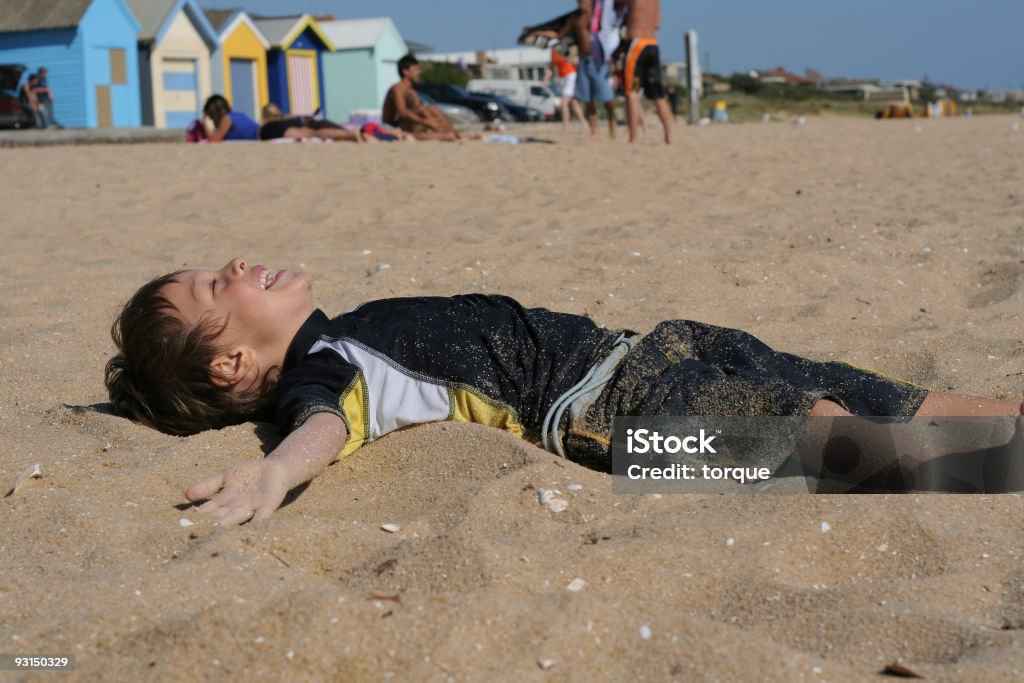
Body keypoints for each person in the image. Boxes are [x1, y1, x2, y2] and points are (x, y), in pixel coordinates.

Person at [105, 258, 1024, 524]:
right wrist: (272, 478)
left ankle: (1005, 428)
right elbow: (315, 430)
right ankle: (994, 468)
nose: (232, 265)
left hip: (641, 351)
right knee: (812, 436)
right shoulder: (325, 371)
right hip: (606, 415)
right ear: (231, 367)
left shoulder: (344, 326)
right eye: (213, 290)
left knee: (840, 385)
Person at [559, 0, 621, 139]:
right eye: (579, 2)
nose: (582, 5)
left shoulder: (601, 17)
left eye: (584, 2)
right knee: (588, 99)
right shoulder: (576, 19)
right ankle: (594, 130)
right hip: (583, 60)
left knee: (607, 99)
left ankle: (612, 119)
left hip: (599, 60)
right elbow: (562, 35)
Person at [382, 54, 472, 141]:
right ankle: (447, 135)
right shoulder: (398, 89)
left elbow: (419, 109)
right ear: (405, 71)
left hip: (409, 124)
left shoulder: (411, 90)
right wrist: (426, 121)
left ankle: (452, 133)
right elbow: (402, 113)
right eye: (416, 69)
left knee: (432, 109)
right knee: (425, 113)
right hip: (396, 126)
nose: (419, 72)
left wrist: (429, 119)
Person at [620, 0, 673, 144]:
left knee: (632, 92)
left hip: (637, 45)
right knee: (658, 94)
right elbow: (657, 24)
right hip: (653, 44)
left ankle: (633, 138)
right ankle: (669, 136)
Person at [257, 103, 367, 143]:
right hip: (307, 121)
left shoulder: (267, 127)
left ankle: (350, 135)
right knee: (315, 131)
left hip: (281, 129)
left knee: (313, 133)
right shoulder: (284, 118)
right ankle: (351, 134)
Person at [543, 49, 588, 134]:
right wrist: (545, 79)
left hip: (570, 74)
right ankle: (583, 123)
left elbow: (576, 59)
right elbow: (551, 66)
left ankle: (566, 126)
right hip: (562, 77)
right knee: (573, 103)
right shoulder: (553, 51)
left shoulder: (565, 46)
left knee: (564, 103)